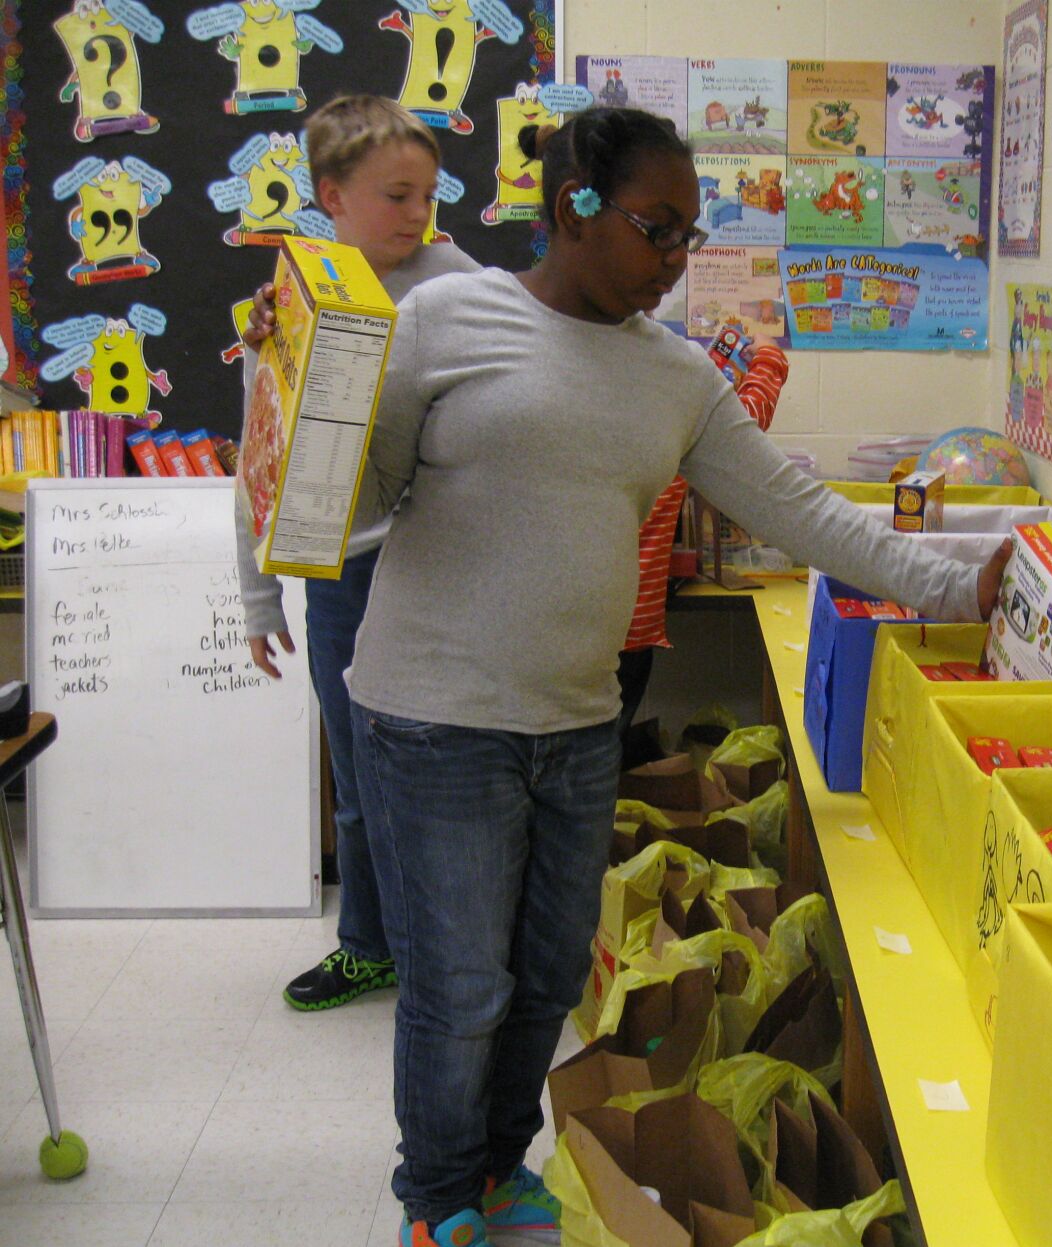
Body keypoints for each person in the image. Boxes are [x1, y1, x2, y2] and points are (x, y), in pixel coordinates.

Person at [344, 106, 1010, 1247]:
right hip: (436, 714)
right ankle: (437, 1195)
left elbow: (799, 510)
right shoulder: (447, 319)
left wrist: (960, 581)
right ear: (574, 209)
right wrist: (300, 404)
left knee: (549, 975)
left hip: (578, 715)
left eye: (689, 236)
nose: (674, 259)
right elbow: (354, 510)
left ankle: (499, 1166)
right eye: (658, 228)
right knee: (461, 989)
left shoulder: (675, 377)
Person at [235, 95, 480, 1014]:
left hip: (437, 565)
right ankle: (367, 943)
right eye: (396, 195)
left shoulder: (458, 280)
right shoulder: (291, 296)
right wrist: (260, 601)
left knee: (441, 771)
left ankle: (445, 949)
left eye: (427, 193)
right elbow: (260, 452)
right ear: (331, 195)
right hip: (339, 574)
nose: (418, 214)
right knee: (356, 768)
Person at [618, 332, 790, 735]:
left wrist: (720, 354)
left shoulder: (606, 419)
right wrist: (769, 356)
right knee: (602, 744)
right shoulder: (676, 434)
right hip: (629, 629)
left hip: (567, 626)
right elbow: (744, 421)